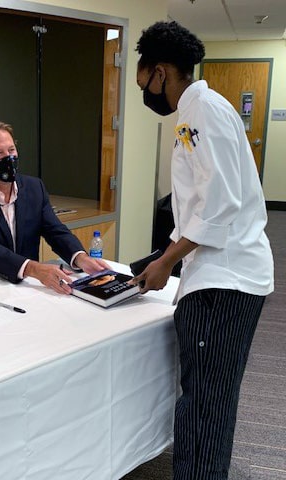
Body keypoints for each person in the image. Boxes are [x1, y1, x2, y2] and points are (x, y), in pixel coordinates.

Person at [132, 21, 274, 480]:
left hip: (224, 282)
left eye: (141, 75)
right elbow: (201, 203)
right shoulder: (200, 110)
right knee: (208, 398)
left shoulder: (201, 112)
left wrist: (164, 263)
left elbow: (218, 205)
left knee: (205, 403)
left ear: (160, 71)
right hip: (225, 274)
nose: (141, 86)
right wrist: (166, 256)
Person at [0, 120, 109, 293]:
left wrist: (80, 257)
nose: (8, 158)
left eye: (11, 150)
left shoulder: (34, 187)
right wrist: (33, 268)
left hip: (25, 287)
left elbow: (54, 230)